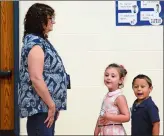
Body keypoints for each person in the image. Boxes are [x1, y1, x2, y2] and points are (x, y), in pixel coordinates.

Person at [18, 3, 70, 136]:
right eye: (50, 18)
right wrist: (51, 105)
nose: (53, 22)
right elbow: (36, 78)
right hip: (40, 108)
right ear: (40, 20)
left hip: (44, 108)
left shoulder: (40, 41)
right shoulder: (35, 44)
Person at [94, 63, 130, 135]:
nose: (108, 78)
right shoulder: (106, 97)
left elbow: (127, 117)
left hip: (115, 131)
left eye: (113, 76)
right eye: (106, 75)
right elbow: (101, 116)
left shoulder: (119, 97)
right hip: (105, 131)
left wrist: (109, 117)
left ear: (120, 80)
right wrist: (96, 132)